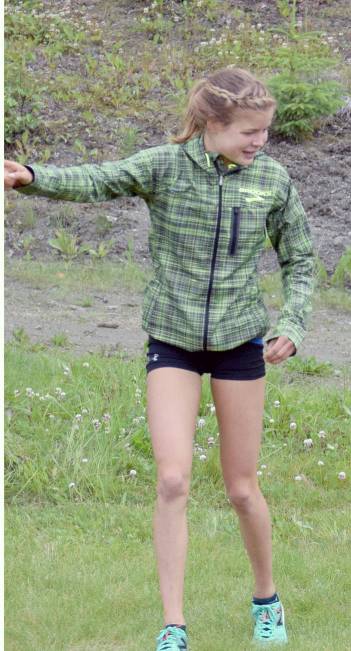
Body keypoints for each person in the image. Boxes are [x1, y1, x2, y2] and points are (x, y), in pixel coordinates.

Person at [4, 67, 316, 650]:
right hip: (172, 339)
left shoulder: (272, 181)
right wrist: (33, 178)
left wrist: (292, 324)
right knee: (172, 480)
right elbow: (101, 178)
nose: (260, 141)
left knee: (241, 488)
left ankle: (266, 600)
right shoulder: (165, 167)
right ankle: (174, 625)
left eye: (265, 131)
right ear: (211, 124)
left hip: (240, 343)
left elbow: (300, 259)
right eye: (249, 131)